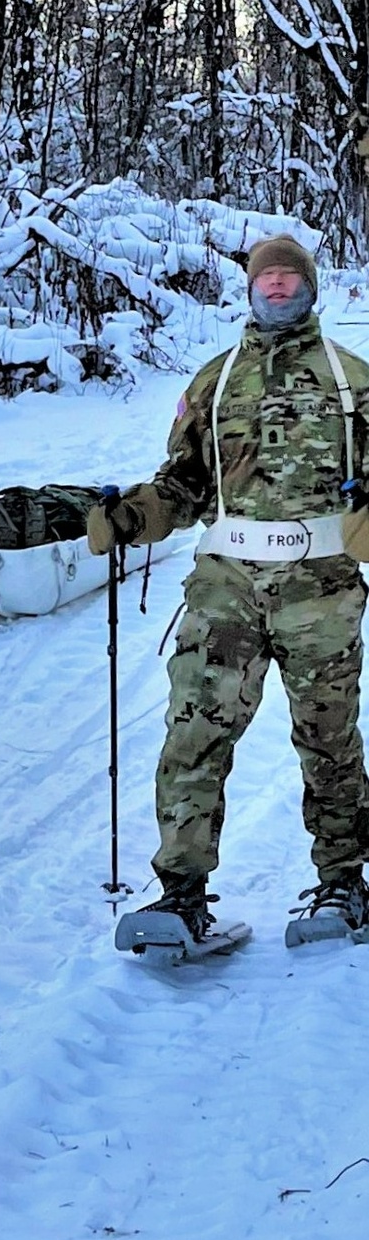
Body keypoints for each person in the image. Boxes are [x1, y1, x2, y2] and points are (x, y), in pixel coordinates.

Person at [87, 234, 369, 941]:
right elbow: (182, 484)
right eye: (266, 278)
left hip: (321, 590)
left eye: (289, 278)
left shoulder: (352, 380)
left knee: (328, 737)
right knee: (194, 729)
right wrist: (133, 516)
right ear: (249, 290)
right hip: (226, 588)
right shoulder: (213, 384)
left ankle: (344, 883)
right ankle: (180, 895)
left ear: (310, 288)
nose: (277, 289)